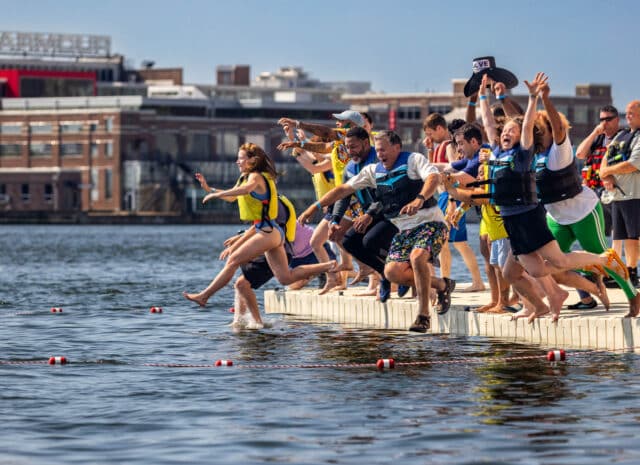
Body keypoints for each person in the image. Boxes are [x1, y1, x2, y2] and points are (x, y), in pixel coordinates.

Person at [477, 73, 627, 322]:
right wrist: (482, 94)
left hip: (528, 218)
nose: (506, 133)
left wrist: (533, 97)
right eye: (505, 131)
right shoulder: (496, 151)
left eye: (511, 131)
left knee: (557, 261)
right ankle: (547, 302)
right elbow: (488, 124)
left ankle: (602, 260)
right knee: (519, 272)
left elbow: (526, 125)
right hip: (511, 223)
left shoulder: (522, 154)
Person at [299, 130, 453, 333]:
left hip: (431, 223)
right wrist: (315, 207)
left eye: (383, 150)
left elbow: (433, 178)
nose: (380, 154)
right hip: (404, 229)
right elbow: (343, 190)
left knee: (417, 258)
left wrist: (420, 199)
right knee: (392, 272)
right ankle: (442, 285)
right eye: (378, 151)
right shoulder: (372, 171)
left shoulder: (414, 160)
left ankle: (423, 316)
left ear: (397, 147)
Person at [183, 143, 335, 308]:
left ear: (252, 160)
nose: (237, 162)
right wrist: (209, 189)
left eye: (240, 159)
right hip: (269, 232)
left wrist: (218, 194)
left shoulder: (255, 176)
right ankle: (329, 265)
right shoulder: (245, 176)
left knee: (233, 260)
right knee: (286, 278)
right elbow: (232, 197)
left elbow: (246, 190)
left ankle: (204, 296)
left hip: (267, 231)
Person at [599, 100, 640, 294]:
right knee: (621, 236)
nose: (628, 115)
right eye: (628, 112)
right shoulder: (621, 135)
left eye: (632, 113)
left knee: (635, 237)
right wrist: (605, 174)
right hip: (617, 197)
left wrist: (608, 170)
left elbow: (633, 163)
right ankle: (625, 273)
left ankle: (632, 272)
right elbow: (606, 158)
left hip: (635, 194)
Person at [575, 105, 622, 235]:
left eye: (608, 119)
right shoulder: (597, 139)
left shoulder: (624, 137)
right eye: (601, 119)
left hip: (614, 192)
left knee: (616, 230)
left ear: (617, 120)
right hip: (594, 192)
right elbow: (579, 154)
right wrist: (594, 133)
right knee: (597, 230)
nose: (604, 123)